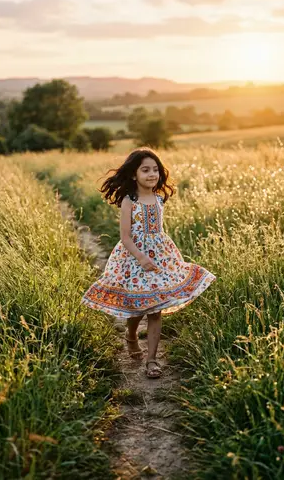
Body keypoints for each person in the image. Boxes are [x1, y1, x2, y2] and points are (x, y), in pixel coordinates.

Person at [81, 147, 216, 378]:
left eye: (155, 169)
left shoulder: (159, 198)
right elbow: (125, 237)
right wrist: (141, 257)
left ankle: (151, 360)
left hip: (161, 257)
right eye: (145, 170)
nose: (152, 174)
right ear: (134, 174)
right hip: (134, 258)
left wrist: (158, 254)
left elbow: (158, 231)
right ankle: (131, 335)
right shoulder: (129, 200)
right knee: (138, 306)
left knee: (156, 309)